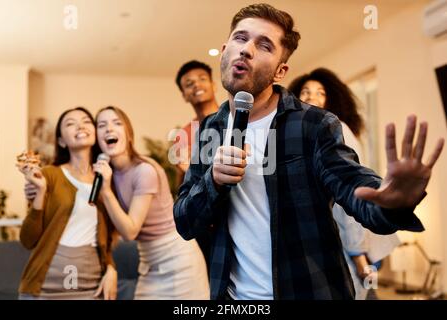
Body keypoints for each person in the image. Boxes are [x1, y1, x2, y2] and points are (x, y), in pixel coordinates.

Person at [173, 3, 445, 300]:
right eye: (240, 38)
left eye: (264, 45)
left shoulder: (313, 124)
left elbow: (354, 186)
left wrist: (393, 202)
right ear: (225, 49)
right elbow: (185, 222)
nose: (246, 50)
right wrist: (212, 180)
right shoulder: (209, 131)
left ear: (280, 71)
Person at [289, 68, 401, 299]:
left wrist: (357, 252)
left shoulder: (334, 127)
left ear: (330, 99)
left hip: (355, 242)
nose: (312, 97)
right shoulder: (300, 136)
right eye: (305, 92)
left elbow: (352, 192)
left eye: (320, 93)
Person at [93, 106, 209, 299]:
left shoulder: (144, 170)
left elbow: (130, 231)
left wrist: (105, 191)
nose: (109, 129)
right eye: (102, 125)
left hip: (179, 263)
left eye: (117, 123)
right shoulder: (107, 175)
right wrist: (108, 266)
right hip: (148, 265)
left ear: (128, 134)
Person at [19, 107, 117, 300]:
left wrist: (111, 268)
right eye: (70, 123)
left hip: (91, 285)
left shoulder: (107, 178)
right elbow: (27, 240)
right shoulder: (48, 175)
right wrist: (39, 193)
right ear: (62, 141)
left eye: (86, 121)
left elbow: (110, 235)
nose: (80, 125)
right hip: (45, 286)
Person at [173, 60, 219, 272]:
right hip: (204, 224)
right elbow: (180, 188)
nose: (196, 85)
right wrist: (186, 171)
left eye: (202, 79)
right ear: (184, 94)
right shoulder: (184, 135)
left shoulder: (236, 118)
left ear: (213, 84)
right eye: (189, 83)